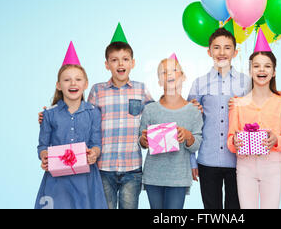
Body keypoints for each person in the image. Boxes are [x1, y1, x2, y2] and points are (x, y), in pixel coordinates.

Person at [187, 28, 251, 209]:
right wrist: (192, 160)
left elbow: (257, 115)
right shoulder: (199, 83)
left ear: (235, 52)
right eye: (216, 48)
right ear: (209, 52)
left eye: (227, 48)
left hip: (239, 161)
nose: (222, 52)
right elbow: (190, 125)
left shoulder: (246, 83)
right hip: (207, 159)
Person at [87, 41, 154, 209]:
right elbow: (85, 122)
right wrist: (52, 112)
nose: (120, 63)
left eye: (125, 59)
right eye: (114, 60)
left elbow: (155, 116)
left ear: (133, 63)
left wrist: (186, 107)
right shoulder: (97, 90)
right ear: (107, 64)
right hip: (103, 167)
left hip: (132, 168)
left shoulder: (141, 89)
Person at [227, 47, 281, 209]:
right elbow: (230, 140)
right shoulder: (237, 104)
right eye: (256, 66)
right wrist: (235, 142)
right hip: (245, 168)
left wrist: (276, 140)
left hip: (271, 168)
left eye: (267, 66)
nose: (262, 70)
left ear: (274, 72)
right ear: (250, 71)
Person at [35, 63, 107, 209]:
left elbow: (96, 143)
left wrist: (94, 153)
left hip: (86, 180)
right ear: (58, 85)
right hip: (57, 181)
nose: (73, 83)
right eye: (67, 80)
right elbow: (42, 145)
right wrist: (44, 156)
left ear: (86, 84)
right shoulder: (49, 114)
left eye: (78, 79)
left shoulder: (93, 112)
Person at [139, 56, 203, 209]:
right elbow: (141, 141)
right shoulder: (150, 109)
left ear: (183, 77)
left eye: (174, 70)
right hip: (153, 176)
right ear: (160, 81)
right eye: (164, 72)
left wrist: (188, 136)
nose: (169, 74)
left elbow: (197, 143)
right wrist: (144, 140)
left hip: (179, 177)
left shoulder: (193, 111)